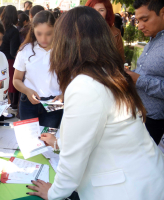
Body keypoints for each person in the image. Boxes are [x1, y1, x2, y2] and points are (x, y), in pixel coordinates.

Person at [26, 6, 164, 200]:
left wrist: (54, 192)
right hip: (148, 178)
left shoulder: (85, 85)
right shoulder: (108, 74)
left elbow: (74, 160)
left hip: (125, 190)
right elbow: (102, 133)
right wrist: (58, 143)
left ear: (66, 43)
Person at [13, 11, 63, 128]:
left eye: (48, 34)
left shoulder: (63, 50)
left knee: (48, 140)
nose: (43, 38)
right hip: (28, 103)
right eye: (39, 34)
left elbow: (71, 79)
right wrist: (27, 91)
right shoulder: (26, 50)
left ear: (56, 30)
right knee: (29, 140)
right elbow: (16, 80)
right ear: (33, 31)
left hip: (54, 103)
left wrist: (63, 94)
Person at [125, 0, 164, 145]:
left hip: (152, 121)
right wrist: (129, 74)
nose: (140, 26)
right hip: (137, 113)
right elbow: (147, 72)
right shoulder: (153, 40)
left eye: (145, 20)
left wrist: (138, 79)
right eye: (138, 20)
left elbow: (143, 78)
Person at [0, 5, 21, 110]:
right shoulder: (13, 30)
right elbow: (13, 51)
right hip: (9, 60)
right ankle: (13, 104)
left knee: (1, 82)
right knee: (12, 82)